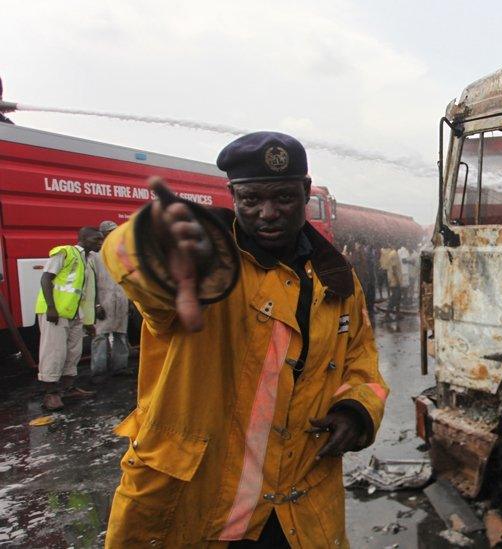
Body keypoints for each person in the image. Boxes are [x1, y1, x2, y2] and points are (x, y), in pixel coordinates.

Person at [102, 131, 387, 547]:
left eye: (284, 198)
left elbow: (361, 359)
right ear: (232, 195)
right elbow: (125, 257)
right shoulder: (206, 265)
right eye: (251, 200)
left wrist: (356, 410)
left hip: (298, 509)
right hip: (201, 505)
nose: (267, 213)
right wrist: (153, 240)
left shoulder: (336, 279)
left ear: (306, 192)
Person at [35, 227, 102, 410]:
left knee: (73, 352)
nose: (100, 243)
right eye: (96, 239)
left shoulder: (88, 261)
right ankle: (50, 395)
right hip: (56, 312)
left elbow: (86, 294)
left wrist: (88, 321)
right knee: (54, 352)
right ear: (83, 238)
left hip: (74, 314)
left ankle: (68, 388)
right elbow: (45, 279)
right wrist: (51, 307)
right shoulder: (65, 252)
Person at [89, 220, 130, 383]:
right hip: (103, 302)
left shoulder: (122, 253)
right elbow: (90, 283)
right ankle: (98, 372)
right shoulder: (94, 256)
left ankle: (120, 368)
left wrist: (130, 301)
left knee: (121, 335)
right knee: (100, 336)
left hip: (121, 301)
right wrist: (95, 304)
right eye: (110, 232)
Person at [379, 247, 403, 323]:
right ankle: (387, 315)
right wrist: (398, 280)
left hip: (394, 279)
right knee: (394, 298)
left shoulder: (392, 253)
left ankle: (397, 313)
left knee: (398, 297)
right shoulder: (394, 254)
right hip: (394, 280)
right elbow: (394, 268)